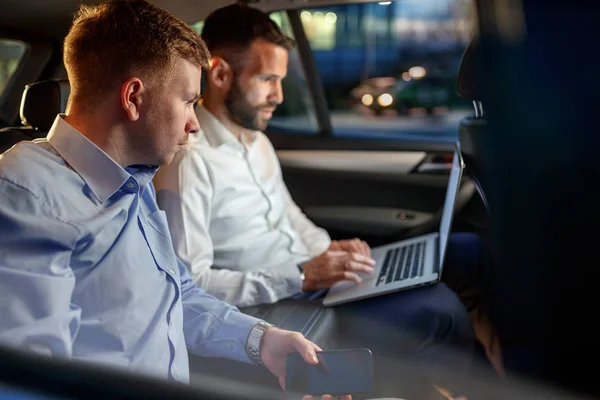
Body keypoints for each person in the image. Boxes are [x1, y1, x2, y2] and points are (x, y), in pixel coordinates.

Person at [0, 0, 339, 395]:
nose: (195, 123)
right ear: (133, 97)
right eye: (188, 102)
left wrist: (262, 340)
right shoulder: (27, 194)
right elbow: (31, 381)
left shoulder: (133, 177)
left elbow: (181, 293)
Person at [153, 4, 495, 391]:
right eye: (267, 79)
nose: (278, 96)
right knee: (441, 311)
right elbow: (192, 286)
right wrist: (300, 275)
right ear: (219, 73)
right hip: (282, 305)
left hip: (313, 283)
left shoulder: (258, 142)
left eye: (281, 80)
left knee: (466, 251)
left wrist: (333, 252)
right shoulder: (189, 163)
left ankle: (499, 373)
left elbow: (291, 218)